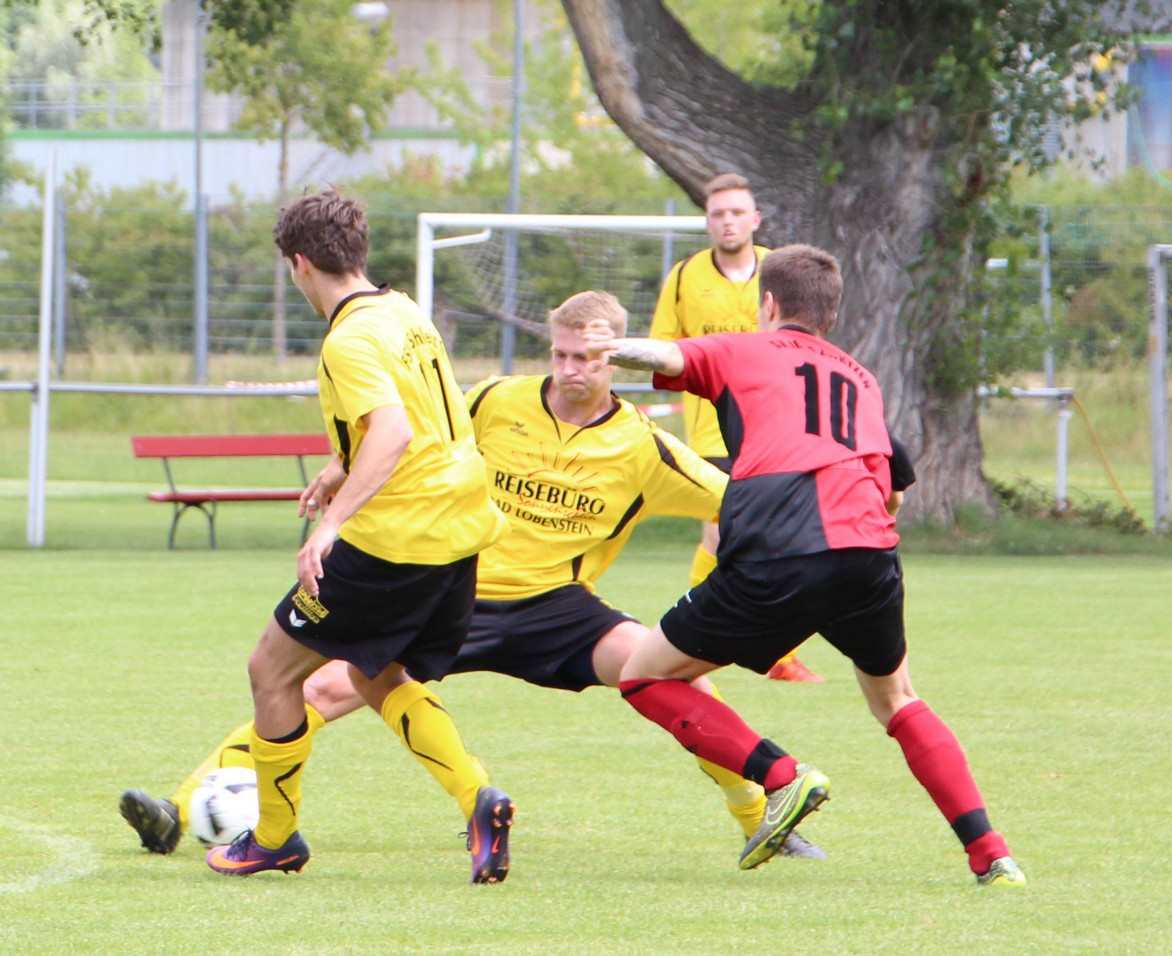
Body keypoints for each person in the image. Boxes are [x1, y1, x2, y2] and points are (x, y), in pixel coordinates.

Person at [120, 290, 825, 869]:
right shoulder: (493, 402)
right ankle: (180, 810)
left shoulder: (643, 447)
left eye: (591, 357)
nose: (573, 368)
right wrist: (342, 465)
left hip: (559, 608)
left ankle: (759, 817)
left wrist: (833, 494)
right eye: (562, 353)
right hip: (458, 592)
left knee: (671, 675)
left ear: (618, 359)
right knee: (315, 688)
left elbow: (740, 498)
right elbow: (414, 434)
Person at [582, 244, 1026, 887]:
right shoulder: (862, 378)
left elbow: (668, 355)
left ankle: (784, 778)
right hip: (869, 555)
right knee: (898, 699)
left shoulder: (745, 348)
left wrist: (608, 344)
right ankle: (992, 854)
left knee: (642, 675)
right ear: (831, 314)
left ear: (768, 304)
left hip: (779, 551)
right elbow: (898, 485)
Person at [163, 189, 514, 881]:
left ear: (299, 263)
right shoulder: (402, 311)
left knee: (271, 668)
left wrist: (332, 523)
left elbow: (393, 430)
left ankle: (275, 838)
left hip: (396, 538)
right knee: (376, 672)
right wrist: (340, 464)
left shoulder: (346, 338)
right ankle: (480, 798)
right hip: (458, 527)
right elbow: (415, 416)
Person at [650, 172, 819, 683]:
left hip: (777, 432)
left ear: (755, 219)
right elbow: (664, 349)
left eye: (736, 212)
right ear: (707, 221)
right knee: (720, 533)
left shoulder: (781, 270)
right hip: (713, 433)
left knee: (787, 538)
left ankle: (776, 652)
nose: (727, 221)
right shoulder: (684, 277)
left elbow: (807, 343)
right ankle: (685, 637)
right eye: (718, 213)